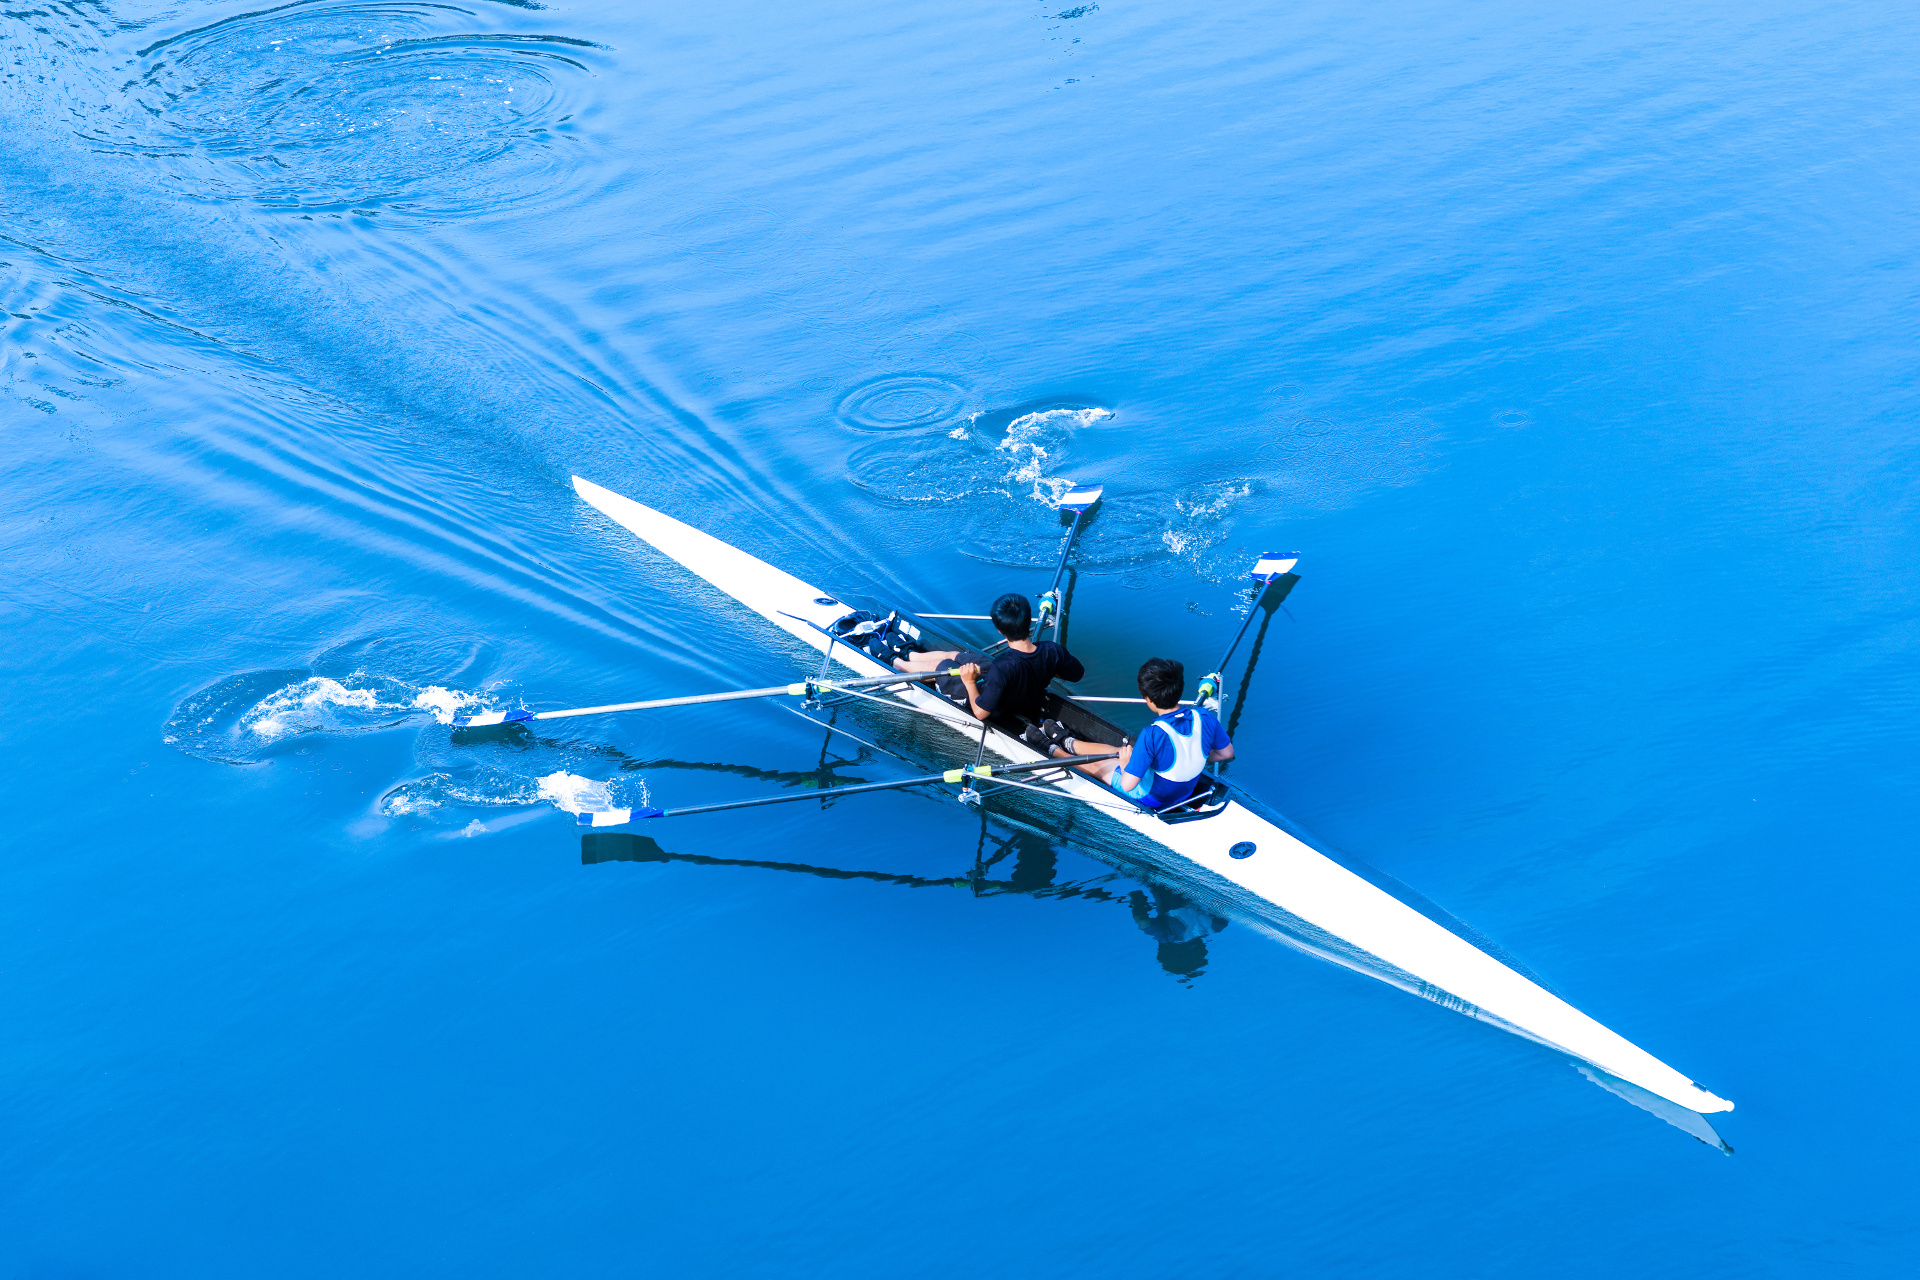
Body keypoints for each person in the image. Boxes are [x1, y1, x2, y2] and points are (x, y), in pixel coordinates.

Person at [1032, 656, 1232, 809]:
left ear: (1148, 700)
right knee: (1120, 751)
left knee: (1098, 766)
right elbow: (1226, 753)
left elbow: (1127, 785)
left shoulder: (1152, 734)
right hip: (1185, 791)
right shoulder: (1205, 716)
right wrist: (1194, 755)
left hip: (1153, 798)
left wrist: (1125, 764)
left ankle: (1053, 750)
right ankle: (1069, 741)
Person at [893, 592, 1084, 724]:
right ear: (1028, 621)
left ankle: (897, 661)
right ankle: (910, 654)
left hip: (994, 706)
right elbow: (1077, 674)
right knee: (955, 655)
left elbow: (981, 713)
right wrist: (1048, 667)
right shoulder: (1052, 650)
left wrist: (969, 682)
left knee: (941, 665)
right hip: (1009, 680)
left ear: (1000, 631)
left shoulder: (1002, 667)